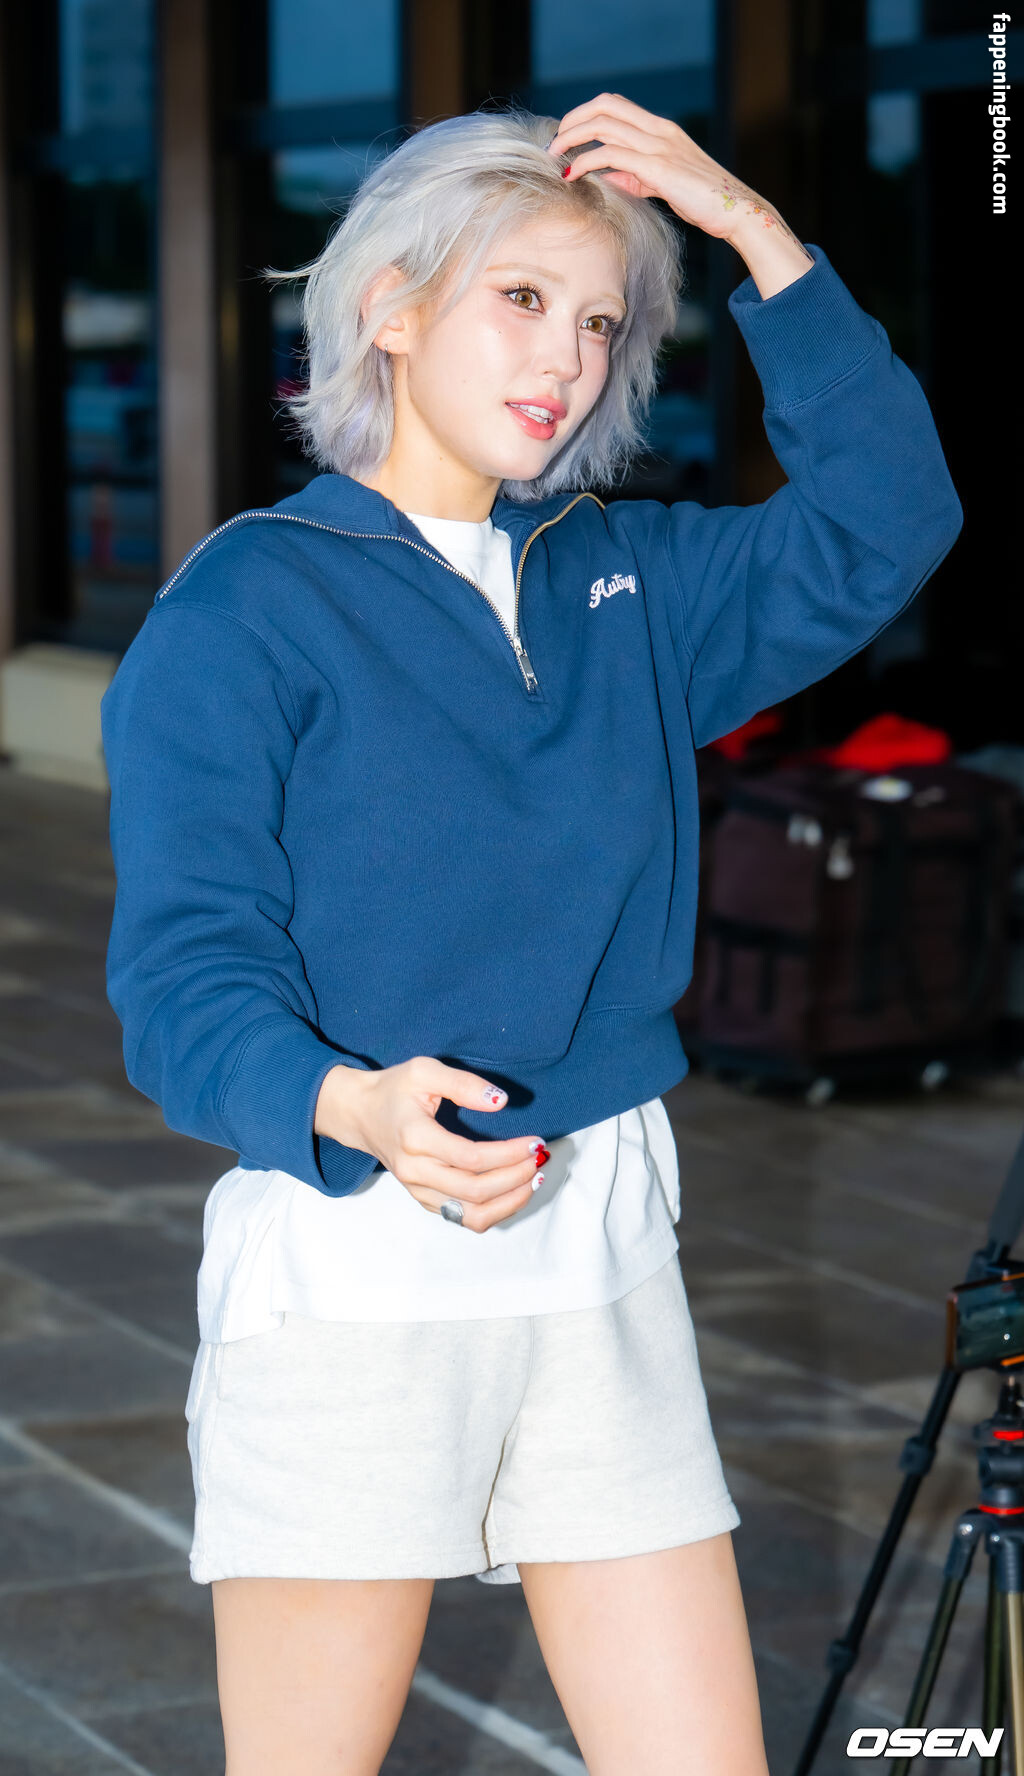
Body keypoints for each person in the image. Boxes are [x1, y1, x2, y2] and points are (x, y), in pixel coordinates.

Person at [100, 94, 962, 1776]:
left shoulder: (626, 580)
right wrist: (349, 1103)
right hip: (355, 1270)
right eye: (521, 298)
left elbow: (889, 520)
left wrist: (753, 233)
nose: (567, 354)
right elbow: (185, 973)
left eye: (601, 320)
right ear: (391, 306)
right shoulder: (247, 604)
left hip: (605, 1258)